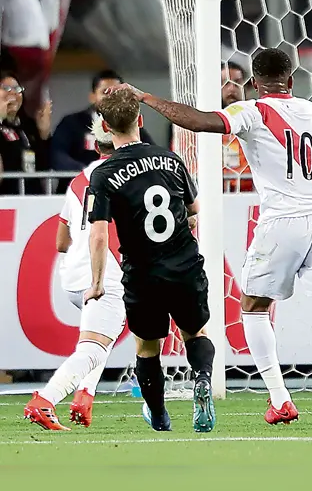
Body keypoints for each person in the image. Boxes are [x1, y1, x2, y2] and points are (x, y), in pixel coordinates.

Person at [108, 48, 312, 429]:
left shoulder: (251, 111)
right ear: (291, 81)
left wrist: (146, 98)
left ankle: (279, 399)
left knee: (253, 307)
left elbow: (202, 122)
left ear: (254, 83)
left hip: (283, 219)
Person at [76, 90, 216, 433]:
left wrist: (95, 283)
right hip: (184, 264)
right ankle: (202, 379)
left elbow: (98, 234)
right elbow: (195, 211)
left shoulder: (103, 174)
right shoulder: (171, 160)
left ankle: (159, 415)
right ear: (140, 120)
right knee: (195, 332)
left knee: (147, 347)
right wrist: (187, 221)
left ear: (106, 128)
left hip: (142, 272)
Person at [23, 118, 126, 431]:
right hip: (104, 271)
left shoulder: (79, 180)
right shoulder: (129, 175)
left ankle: (85, 396)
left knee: (104, 334)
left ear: (95, 146)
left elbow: (61, 242)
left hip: (71, 277)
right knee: (95, 345)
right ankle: (46, 399)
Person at [51, 70, 154, 174]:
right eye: (105, 92)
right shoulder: (71, 123)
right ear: (92, 97)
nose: (111, 97)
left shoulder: (130, 122)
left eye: (117, 92)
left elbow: (150, 152)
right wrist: (87, 172)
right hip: (78, 184)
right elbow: (56, 155)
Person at [0, 71, 52, 195]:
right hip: (6, 200)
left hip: (31, 197)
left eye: (17, 89)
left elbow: (44, 166)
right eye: (6, 88)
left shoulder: (27, 125)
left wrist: (44, 134)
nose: (13, 93)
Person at [222, 61, 254, 192]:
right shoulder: (203, 126)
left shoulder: (258, 120)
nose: (231, 88)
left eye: (237, 82)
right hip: (219, 193)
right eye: (224, 83)